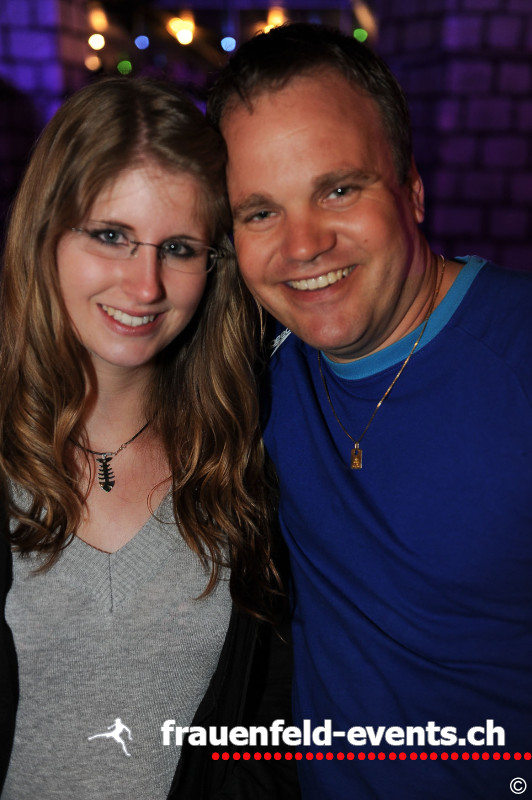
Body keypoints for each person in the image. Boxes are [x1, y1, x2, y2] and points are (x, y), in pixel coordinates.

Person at [207, 22, 532, 800]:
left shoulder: (518, 358)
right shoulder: (253, 372)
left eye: (339, 189)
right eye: (260, 212)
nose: (304, 246)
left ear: (412, 190)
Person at [0, 77, 299, 799]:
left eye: (180, 248)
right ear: (46, 233)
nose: (145, 286)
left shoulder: (244, 459)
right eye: (111, 235)